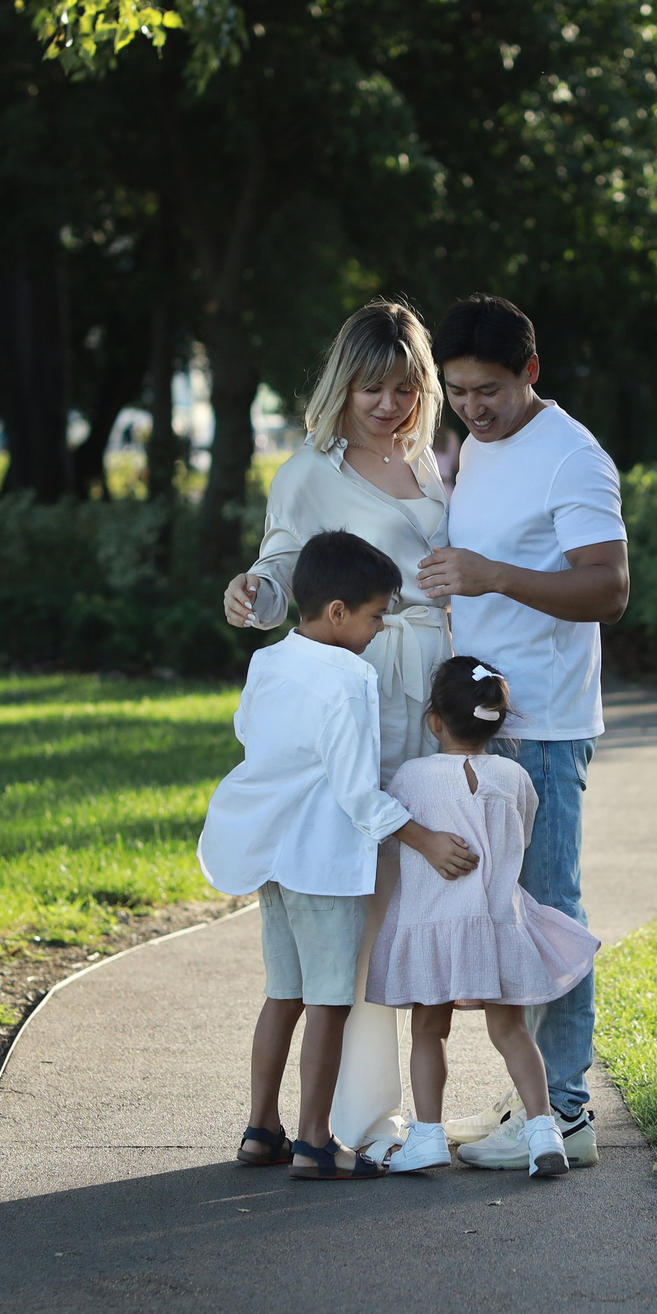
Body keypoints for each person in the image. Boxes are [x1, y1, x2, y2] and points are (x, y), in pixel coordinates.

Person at [221, 300, 452, 1154]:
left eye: (403, 388)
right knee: (366, 899)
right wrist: (255, 593)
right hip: (369, 687)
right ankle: (362, 1118)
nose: (387, 406)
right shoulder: (310, 471)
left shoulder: (434, 464)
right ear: (341, 387)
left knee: (418, 907)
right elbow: (284, 567)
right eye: (370, 390)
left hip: (438, 685)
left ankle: (412, 1111)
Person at [414, 295, 630, 1171]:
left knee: (547, 911)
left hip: (541, 725)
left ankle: (571, 1112)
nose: (472, 406)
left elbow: (609, 588)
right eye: (457, 391)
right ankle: (534, 1097)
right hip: (480, 723)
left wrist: (492, 575)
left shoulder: (572, 458)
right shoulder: (476, 445)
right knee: (505, 915)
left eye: (490, 389)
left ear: (530, 372)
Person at [197, 529, 479, 1180]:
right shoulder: (350, 678)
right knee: (328, 1001)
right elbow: (358, 792)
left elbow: (249, 732)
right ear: (337, 613)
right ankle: (316, 1140)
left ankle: (260, 1127)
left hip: (272, 852)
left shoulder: (267, 662)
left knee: (283, 993)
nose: (381, 629)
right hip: (322, 862)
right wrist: (427, 839)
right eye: (377, 615)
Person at [366, 658, 600, 1177]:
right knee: (513, 1031)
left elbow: (386, 834)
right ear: (498, 721)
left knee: (429, 1031)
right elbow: (527, 832)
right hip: (497, 925)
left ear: (434, 721)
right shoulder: (515, 776)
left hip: (431, 924)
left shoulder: (411, 777)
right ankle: (544, 1131)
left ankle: (426, 1136)